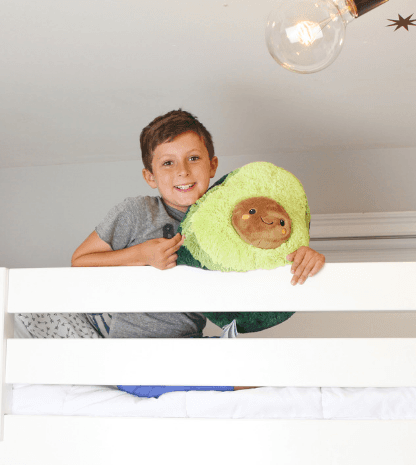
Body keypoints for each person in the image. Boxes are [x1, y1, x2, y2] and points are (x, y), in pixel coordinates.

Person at [70, 109, 326, 340]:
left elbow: (264, 260)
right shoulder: (137, 212)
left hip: (190, 342)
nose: (182, 171)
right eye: (168, 163)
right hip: (137, 350)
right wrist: (141, 254)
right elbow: (80, 261)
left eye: (193, 158)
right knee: (253, 381)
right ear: (150, 176)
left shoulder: (228, 222)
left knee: (261, 373)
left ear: (212, 166)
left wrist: (302, 257)